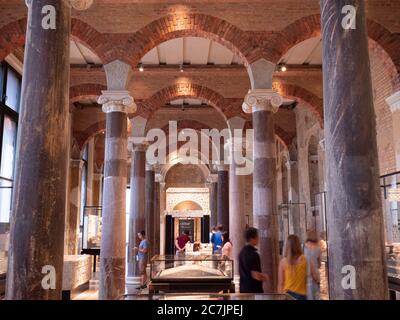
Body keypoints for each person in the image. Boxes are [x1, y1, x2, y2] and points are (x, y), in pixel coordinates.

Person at [278, 235, 319, 300]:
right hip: (301, 296)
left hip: (287, 296)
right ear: (298, 245)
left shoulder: (283, 262)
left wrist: (280, 297)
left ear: (287, 246)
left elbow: (281, 283)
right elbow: (316, 277)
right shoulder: (305, 259)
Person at [238, 227, 269, 293]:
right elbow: (255, 275)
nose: (258, 239)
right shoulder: (253, 254)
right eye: (257, 237)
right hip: (254, 291)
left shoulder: (241, 252)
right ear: (252, 238)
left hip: (243, 289)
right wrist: (265, 277)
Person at [304, 230, 321, 300]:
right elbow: (319, 264)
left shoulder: (303, 247)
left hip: (305, 276)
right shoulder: (318, 248)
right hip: (315, 276)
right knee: (316, 296)